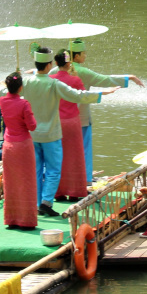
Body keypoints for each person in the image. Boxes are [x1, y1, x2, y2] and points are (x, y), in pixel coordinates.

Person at [0, 46, 119, 217]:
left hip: (32, 134)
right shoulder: (54, 83)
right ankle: (46, 201)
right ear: (49, 65)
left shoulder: (26, 82)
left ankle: (37, 203)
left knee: (36, 169)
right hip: (51, 134)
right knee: (53, 169)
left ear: (36, 64)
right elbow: (77, 96)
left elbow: (4, 90)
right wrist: (101, 93)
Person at [61, 38, 144, 182]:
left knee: (63, 150)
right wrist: (128, 77)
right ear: (76, 56)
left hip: (61, 118)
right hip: (81, 118)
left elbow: (45, 72)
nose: (86, 56)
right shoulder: (82, 71)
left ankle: (64, 179)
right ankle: (84, 178)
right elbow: (105, 80)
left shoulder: (58, 70)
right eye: (83, 53)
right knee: (84, 149)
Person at [0, 72, 37, 230]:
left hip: (8, 146)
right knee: (26, 182)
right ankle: (26, 221)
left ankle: (12, 219)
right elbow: (32, 126)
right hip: (23, 146)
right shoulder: (24, 104)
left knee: (11, 182)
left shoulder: (2, 101)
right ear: (21, 87)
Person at [51, 50, 89, 200]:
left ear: (55, 63)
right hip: (72, 121)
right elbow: (85, 97)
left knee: (57, 156)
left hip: (56, 122)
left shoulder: (51, 79)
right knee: (74, 156)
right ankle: (74, 192)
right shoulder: (75, 80)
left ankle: (58, 191)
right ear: (69, 63)